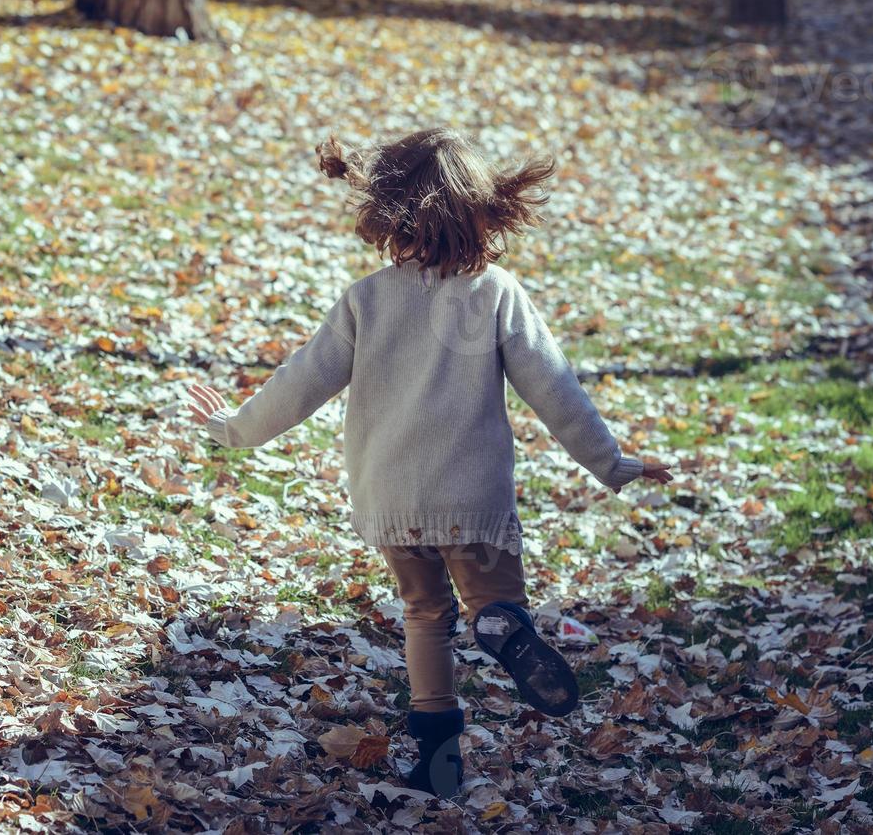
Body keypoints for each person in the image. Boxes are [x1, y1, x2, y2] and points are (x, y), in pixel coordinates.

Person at [183, 129, 673, 798]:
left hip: (390, 498)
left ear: (389, 209)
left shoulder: (366, 299)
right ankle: (503, 624)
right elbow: (556, 391)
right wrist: (612, 465)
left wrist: (234, 428)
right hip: (470, 497)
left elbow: (301, 383)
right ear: (482, 209)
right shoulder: (494, 292)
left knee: (424, 615)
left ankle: (435, 754)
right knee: (490, 602)